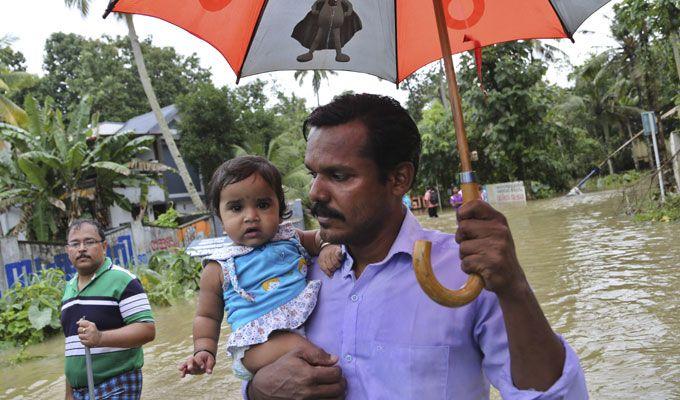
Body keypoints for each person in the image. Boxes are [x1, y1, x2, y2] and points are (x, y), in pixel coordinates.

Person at [246, 94, 587, 399]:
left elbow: (555, 397)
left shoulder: (468, 273)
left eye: (339, 176)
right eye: (313, 175)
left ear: (398, 179)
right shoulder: (297, 274)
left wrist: (515, 288)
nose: (316, 193)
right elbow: (259, 362)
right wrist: (257, 390)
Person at [178, 156, 343, 381]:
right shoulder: (218, 267)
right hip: (255, 347)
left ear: (280, 208)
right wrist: (203, 351)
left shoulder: (291, 237)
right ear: (220, 217)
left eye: (263, 205)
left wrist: (326, 247)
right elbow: (207, 316)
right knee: (311, 355)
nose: (251, 217)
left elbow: (318, 238)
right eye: (236, 208)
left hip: (299, 329)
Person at [61, 219, 155, 400]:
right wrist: (69, 393)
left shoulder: (123, 280)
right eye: (75, 243)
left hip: (117, 382)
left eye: (89, 242)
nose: (81, 248)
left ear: (104, 246)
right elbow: (72, 347)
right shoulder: (69, 289)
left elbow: (147, 330)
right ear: (68, 251)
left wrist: (100, 338)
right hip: (79, 391)